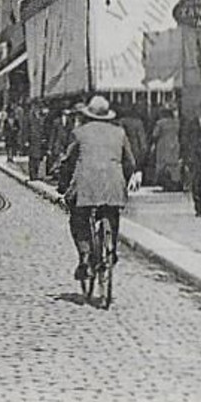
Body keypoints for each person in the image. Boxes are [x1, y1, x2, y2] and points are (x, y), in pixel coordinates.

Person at [55, 95, 135, 281]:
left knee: (78, 217)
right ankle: (111, 249)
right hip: (113, 183)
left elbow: (68, 161)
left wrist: (63, 185)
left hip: (86, 185)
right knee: (112, 214)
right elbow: (130, 162)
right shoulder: (119, 133)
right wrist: (124, 180)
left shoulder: (79, 132)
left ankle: (84, 256)